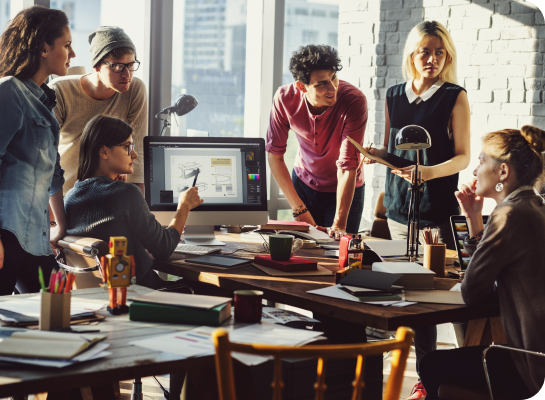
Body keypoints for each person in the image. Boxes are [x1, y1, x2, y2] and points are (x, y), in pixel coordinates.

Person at [364, 21, 471, 399]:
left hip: (436, 208)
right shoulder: (394, 94)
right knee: (409, 297)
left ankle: (450, 376)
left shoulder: (454, 96)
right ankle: (425, 381)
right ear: (412, 54)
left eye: (440, 52)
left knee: (436, 296)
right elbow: (397, 154)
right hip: (397, 208)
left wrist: (427, 172)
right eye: (425, 51)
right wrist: (377, 156)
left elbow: (462, 158)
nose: (432, 59)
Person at [419, 125, 545, 399]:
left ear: (503, 172)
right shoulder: (535, 207)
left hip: (529, 366)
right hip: (536, 354)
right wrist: (475, 219)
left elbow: (473, 292)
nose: (475, 170)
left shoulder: (508, 215)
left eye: (481, 161)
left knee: (430, 364)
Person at [64, 115, 202, 289]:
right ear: (104, 151)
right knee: (214, 289)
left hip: (100, 300)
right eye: (127, 147)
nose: (135, 154)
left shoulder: (70, 196)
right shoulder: (126, 194)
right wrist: (184, 207)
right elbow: (164, 248)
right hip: (143, 297)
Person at [0, 6, 74, 295]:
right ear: (44, 47)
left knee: (59, 309)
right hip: (7, 235)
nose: (73, 54)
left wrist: (62, 228)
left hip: (36, 238)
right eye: (67, 45)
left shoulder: (45, 100)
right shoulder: (9, 92)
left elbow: (53, 174)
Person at [266, 44, 367, 238]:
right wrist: (298, 209)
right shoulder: (284, 98)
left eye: (333, 77)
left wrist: (338, 224)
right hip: (303, 182)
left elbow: (347, 166)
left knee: (339, 254)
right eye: (321, 83)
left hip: (344, 188)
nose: (332, 88)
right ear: (302, 86)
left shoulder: (354, 101)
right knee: (302, 251)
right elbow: (275, 156)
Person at [49, 26, 147, 195]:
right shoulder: (60, 91)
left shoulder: (135, 89)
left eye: (130, 65)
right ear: (96, 67)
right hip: (65, 194)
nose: (127, 75)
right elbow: (47, 157)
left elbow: (137, 152)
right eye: (117, 67)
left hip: (108, 196)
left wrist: (138, 207)